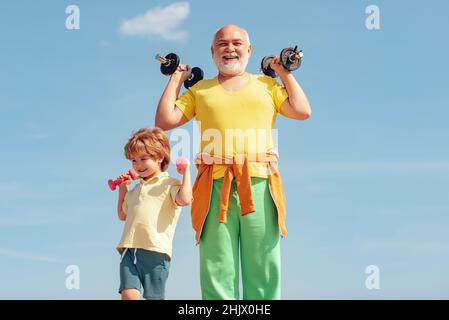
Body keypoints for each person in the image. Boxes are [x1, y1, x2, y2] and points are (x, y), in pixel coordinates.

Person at [155, 24, 312, 300]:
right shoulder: (200, 91)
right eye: (223, 44)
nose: (230, 48)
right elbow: (165, 120)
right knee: (217, 266)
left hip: (260, 183)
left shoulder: (268, 85)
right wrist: (177, 79)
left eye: (237, 43)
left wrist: (284, 72)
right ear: (213, 51)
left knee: (263, 265)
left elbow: (301, 110)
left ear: (249, 50)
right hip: (214, 186)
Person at [115, 127, 192, 300]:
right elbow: (122, 214)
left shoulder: (169, 183)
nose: (138, 165)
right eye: (134, 161)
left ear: (159, 158)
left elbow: (185, 200)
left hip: (156, 251)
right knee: (128, 295)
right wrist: (123, 189)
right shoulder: (135, 189)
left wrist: (186, 171)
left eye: (143, 159)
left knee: (154, 297)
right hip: (129, 248)